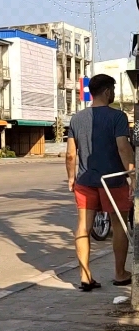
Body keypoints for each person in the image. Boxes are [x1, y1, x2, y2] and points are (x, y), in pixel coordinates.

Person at [66, 74, 134, 291]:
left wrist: (70, 177)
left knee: (83, 228)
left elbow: (70, 154)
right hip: (113, 181)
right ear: (106, 91)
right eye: (112, 90)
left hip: (85, 181)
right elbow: (123, 148)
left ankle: (85, 277)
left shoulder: (76, 119)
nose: (113, 93)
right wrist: (132, 174)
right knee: (119, 226)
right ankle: (120, 274)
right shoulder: (118, 117)